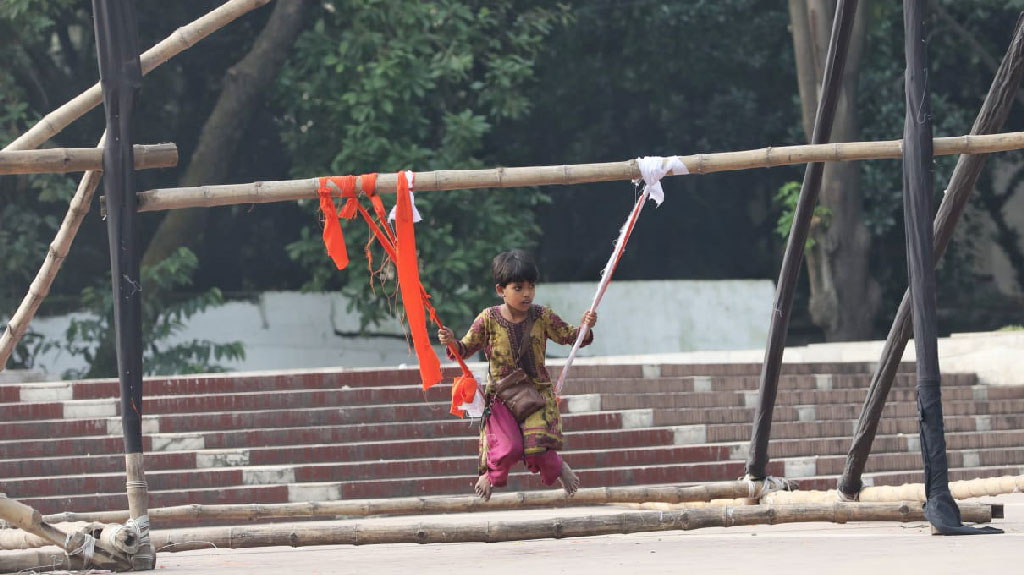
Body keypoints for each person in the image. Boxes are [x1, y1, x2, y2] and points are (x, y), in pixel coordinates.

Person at [438, 250, 597, 500]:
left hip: (537, 395)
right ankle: (489, 474)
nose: (527, 293)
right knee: (509, 447)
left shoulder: (542, 316)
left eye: (531, 286)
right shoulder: (488, 319)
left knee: (536, 446)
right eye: (518, 287)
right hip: (501, 397)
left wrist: (586, 328)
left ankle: (559, 468)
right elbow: (464, 348)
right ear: (501, 290)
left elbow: (571, 336)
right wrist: (451, 341)